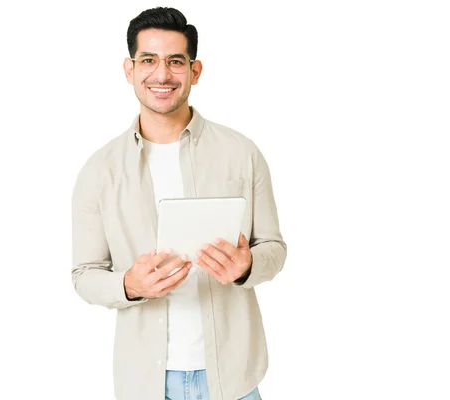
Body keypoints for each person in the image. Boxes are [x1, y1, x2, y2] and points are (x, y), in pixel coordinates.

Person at [71, 7, 286, 400]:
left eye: (175, 61)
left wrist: (247, 266)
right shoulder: (99, 171)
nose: (162, 74)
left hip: (234, 379)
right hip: (148, 383)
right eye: (148, 60)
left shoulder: (242, 153)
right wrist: (129, 285)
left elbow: (274, 248)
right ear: (129, 69)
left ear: (195, 71)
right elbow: (84, 274)